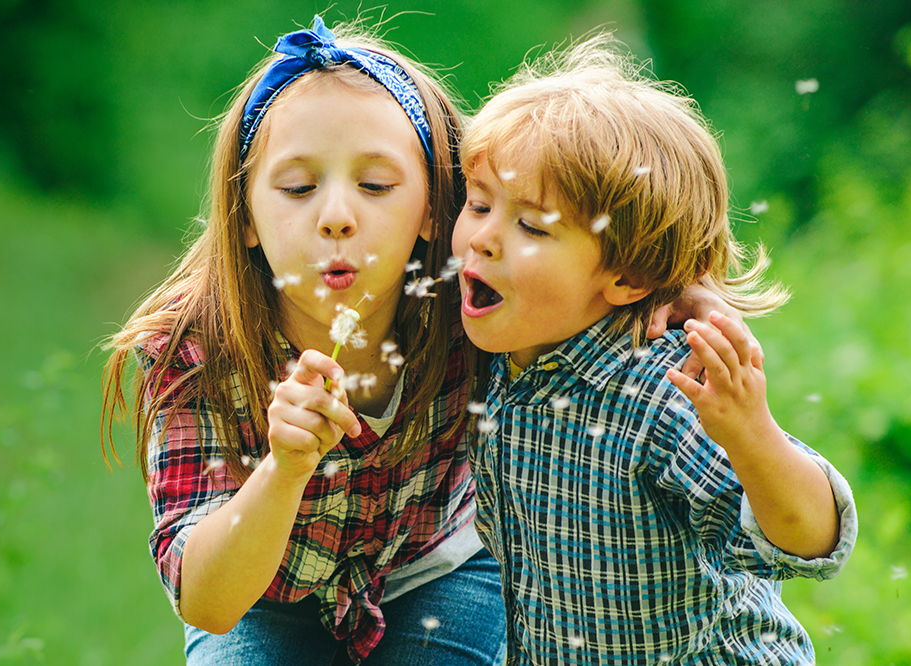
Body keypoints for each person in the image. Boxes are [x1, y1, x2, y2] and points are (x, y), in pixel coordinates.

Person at [100, 16, 768, 666]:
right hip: (265, 590)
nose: (336, 216)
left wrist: (673, 283)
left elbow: (583, 260)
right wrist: (283, 470)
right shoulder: (196, 351)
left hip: (439, 565)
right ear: (245, 214)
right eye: (299, 187)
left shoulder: (473, 298)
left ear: (430, 207)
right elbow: (207, 603)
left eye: (376, 185)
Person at [450, 33, 858, 665]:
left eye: (531, 225)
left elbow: (811, 541)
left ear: (628, 278)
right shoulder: (498, 357)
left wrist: (750, 433)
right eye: (477, 204)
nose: (482, 238)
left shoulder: (660, 397)